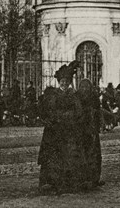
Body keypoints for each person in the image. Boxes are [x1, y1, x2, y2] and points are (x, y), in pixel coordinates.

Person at [38, 60, 85, 194]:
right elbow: (47, 110)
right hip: (55, 130)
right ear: (59, 81)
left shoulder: (74, 95)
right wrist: (54, 118)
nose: (64, 83)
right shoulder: (53, 95)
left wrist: (70, 117)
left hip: (70, 131)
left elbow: (79, 111)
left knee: (69, 156)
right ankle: (51, 183)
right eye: (62, 81)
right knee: (54, 156)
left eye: (67, 81)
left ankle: (69, 183)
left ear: (70, 82)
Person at [76, 79, 103, 189]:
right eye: (82, 87)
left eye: (86, 87)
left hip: (92, 130)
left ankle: (94, 178)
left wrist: (97, 125)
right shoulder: (77, 97)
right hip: (82, 130)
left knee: (94, 155)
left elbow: (98, 111)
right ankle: (84, 178)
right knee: (83, 154)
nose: (84, 89)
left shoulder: (94, 97)